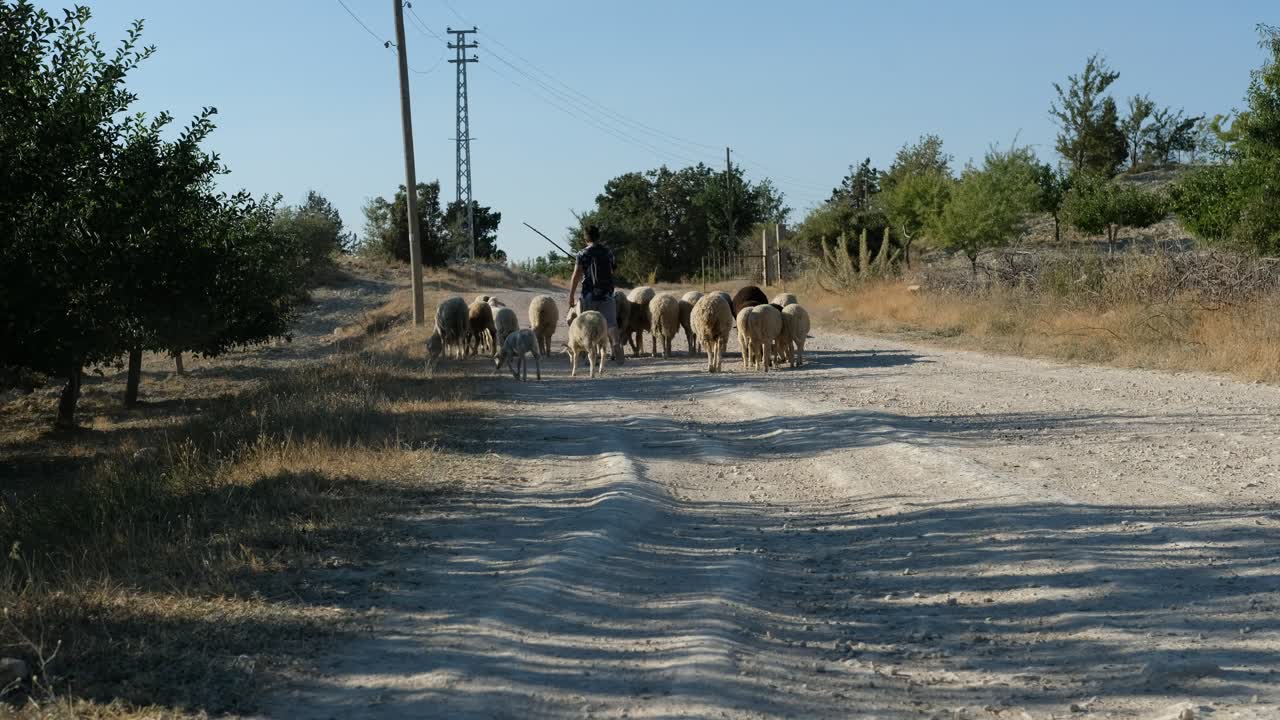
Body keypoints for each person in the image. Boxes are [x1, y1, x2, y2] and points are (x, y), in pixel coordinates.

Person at [567, 224, 623, 363]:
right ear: (598, 236)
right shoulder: (608, 252)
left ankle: (592, 357)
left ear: (585, 238)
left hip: (589, 295)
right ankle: (616, 344)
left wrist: (571, 295)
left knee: (588, 326)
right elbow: (612, 270)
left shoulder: (582, 254)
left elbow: (576, 275)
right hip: (607, 294)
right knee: (611, 323)